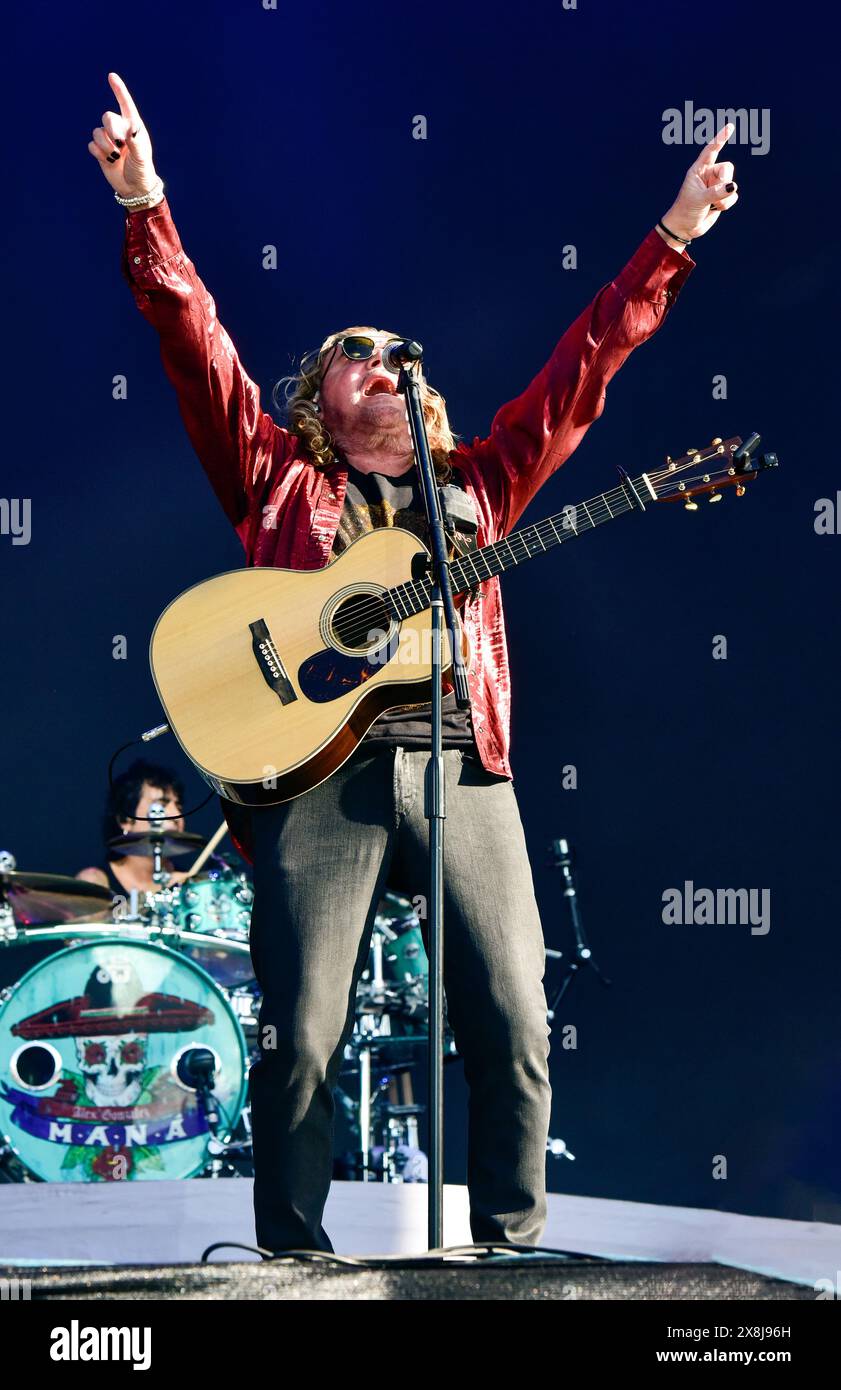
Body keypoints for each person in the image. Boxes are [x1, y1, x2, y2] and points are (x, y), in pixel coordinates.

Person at [88, 72, 738, 1253]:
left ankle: (509, 1251)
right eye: (353, 350)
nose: (381, 358)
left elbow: (587, 369)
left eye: (396, 350)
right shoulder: (280, 478)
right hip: (319, 780)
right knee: (304, 1031)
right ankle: (290, 1254)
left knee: (515, 1020)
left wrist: (674, 236)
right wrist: (149, 210)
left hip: (463, 768)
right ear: (319, 399)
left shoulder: (479, 487)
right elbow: (194, 346)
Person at [76, 757, 187, 900]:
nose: (177, 815)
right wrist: (153, 894)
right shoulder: (96, 881)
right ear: (126, 819)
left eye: (179, 806)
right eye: (161, 805)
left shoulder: (187, 883)